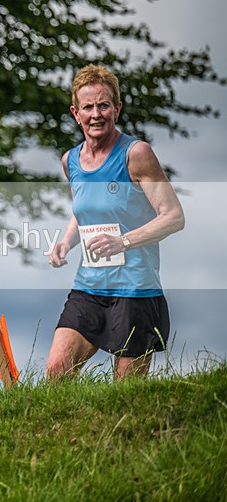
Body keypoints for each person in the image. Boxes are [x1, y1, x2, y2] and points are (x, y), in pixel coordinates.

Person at [46, 64, 184, 381]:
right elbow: (84, 210)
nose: (96, 114)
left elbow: (174, 217)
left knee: (126, 392)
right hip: (90, 286)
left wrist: (123, 241)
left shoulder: (136, 154)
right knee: (56, 373)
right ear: (76, 112)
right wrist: (66, 241)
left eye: (103, 105)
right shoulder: (71, 161)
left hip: (135, 288)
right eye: (88, 107)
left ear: (117, 109)